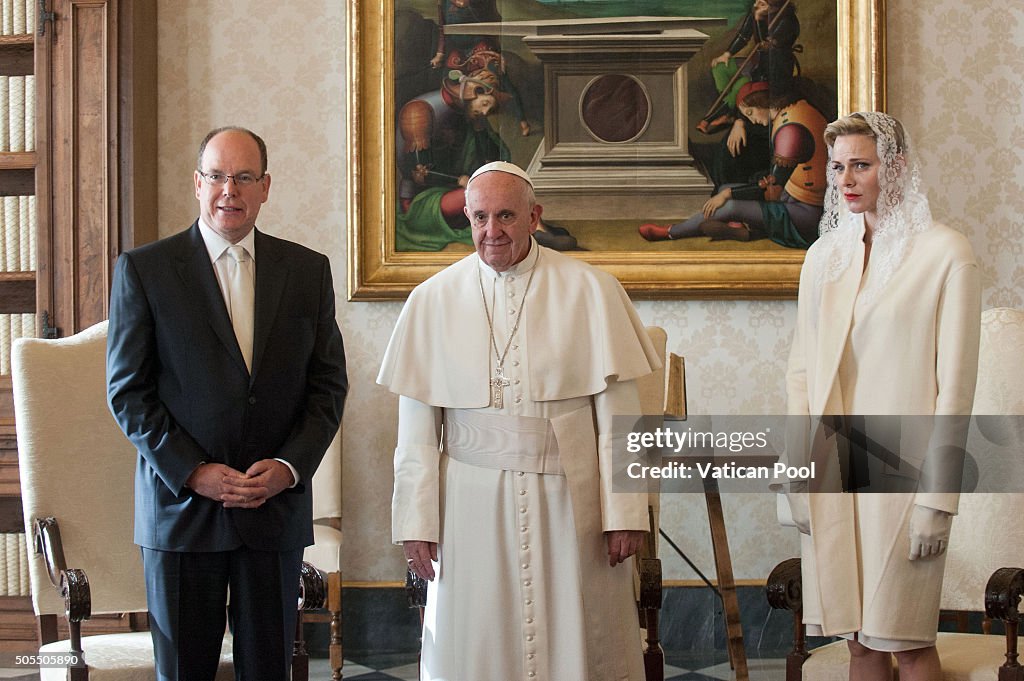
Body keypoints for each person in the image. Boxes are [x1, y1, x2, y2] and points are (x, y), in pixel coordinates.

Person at [378, 161, 659, 680]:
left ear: (535, 216)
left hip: (569, 501)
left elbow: (622, 416)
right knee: (478, 641)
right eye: (480, 217)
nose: (492, 231)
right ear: (466, 217)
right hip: (469, 502)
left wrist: (625, 511)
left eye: (506, 216)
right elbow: (416, 433)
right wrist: (416, 522)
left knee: (576, 635)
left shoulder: (591, 289)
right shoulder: (432, 299)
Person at [106, 126, 348, 681]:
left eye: (243, 178)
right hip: (182, 513)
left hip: (273, 512)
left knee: (268, 670)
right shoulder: (146, 270)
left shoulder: (307, 271)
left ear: (266, 187)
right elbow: (128, 392)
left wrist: (288, 469)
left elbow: (327, 386)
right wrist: (193, 472)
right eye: (216, 176)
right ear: (197, 184)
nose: (228, 191)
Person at [780, 112, 980, 680]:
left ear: (896, 167)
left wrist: (937, 502)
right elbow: (801, 371)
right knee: (859, 645)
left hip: (906, 476)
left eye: (860, 165)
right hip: (832, 472)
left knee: (906, 641)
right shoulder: (824, 257)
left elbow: (956, 390)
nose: (845, 179)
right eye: (837, 166)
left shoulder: (946, 253)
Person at [641, 81, 827, 248]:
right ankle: (745, 228)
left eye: (750, 112)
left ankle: (671, 232)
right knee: (725, 188)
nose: (751, 119)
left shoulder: (790, 131)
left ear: (762, 102)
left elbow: (772, 188)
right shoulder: (792, 110)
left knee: (729, 204)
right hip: (792, 196)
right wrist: (727, 191)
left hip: (804, 216)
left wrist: (727, 195)